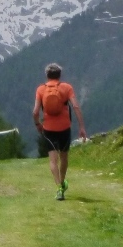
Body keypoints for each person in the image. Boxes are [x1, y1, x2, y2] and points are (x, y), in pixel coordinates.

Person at [32, 63, 87, 201]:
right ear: (60, 75)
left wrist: (38, 124)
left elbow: (35, 112)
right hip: (64, 127)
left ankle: (59, 188)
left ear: (47, 75)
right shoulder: (67, 88)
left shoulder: (41, 89)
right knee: (64, 157)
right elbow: (75, 106)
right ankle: (62, 182)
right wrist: (81, 127)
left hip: (48, 128)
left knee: (53, 160)